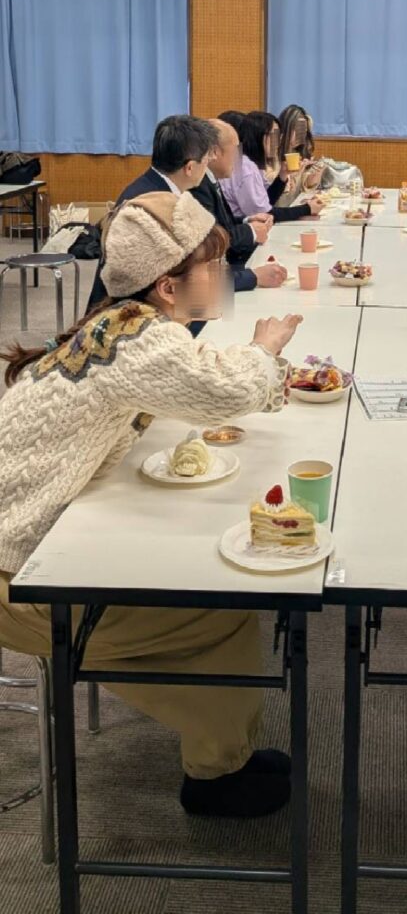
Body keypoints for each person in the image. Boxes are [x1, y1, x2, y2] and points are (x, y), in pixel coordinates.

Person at [0, 191, 304, 819]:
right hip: (18, 579)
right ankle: (217, 773)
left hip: (26, 552)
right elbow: (224, 391)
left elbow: (194, 370)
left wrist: (254, 364)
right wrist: (266, 348)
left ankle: (220, 750)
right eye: (213, 267)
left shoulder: (124, 322)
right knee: (219, 610)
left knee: (203, 592)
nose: (225, 276)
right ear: (167, 287)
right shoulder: (142, 342)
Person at [86, 115, 218, 311]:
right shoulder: (151, 205)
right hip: (130, 314)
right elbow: (168, 280)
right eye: (207, 159)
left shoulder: (156, 188)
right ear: (190, 168)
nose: (210, 162)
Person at [192, 118, 287, 292]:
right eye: (235, 150)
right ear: (215, 152)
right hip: (221, 272)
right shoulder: (197, 185)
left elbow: (221, 225)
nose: (238, 157)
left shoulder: (211, 179)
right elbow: (213, 240)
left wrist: (246, 220)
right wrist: (250, 231)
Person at [219, 111, 324, 224]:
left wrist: (282, 176)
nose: (278, 142)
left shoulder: (252, 163)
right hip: (238, 228)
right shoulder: (246, 168)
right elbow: (265, 213)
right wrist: (306, 209)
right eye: (274, 136)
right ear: (258, 136)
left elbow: (267, 200)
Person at [276, 103, 324, 205]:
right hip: (277, 211)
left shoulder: (297, 153)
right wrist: (291, 175)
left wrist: (312, 179)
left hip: (293, 209)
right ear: (286, 128)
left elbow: (299, 190)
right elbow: (275, 197)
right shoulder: (273, 155)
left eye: (304, 131)